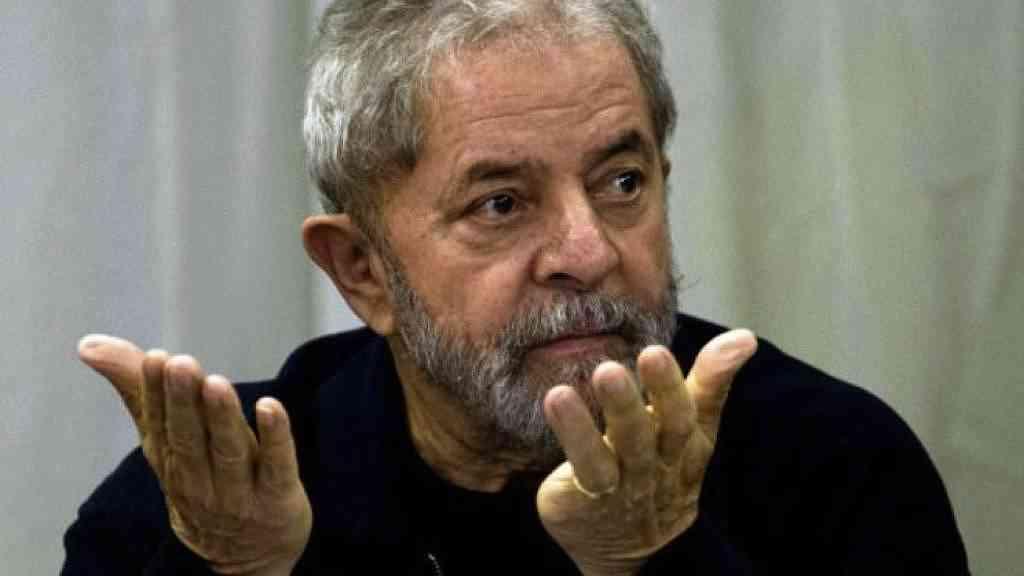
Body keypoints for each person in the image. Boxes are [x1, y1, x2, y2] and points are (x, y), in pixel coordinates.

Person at [62, 1, 969, 574]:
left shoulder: (836, 465)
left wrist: (656, 559)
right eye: (501, 203)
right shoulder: (208, 503)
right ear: (363, 270)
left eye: (622, 182)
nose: (588, 250)